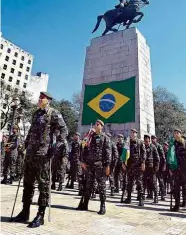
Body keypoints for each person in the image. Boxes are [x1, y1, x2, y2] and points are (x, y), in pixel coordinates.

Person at [12, 92, 68, 228]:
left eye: (42, 98)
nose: (39, 100)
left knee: (43, 186)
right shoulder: (36, 113)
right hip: (31, 153)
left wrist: (55, 147)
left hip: (43, 155)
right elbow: (31, 130)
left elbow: (64, 130)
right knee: (28, 184)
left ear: (48, 100)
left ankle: (40, 215)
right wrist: (25, 144)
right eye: (39, 98)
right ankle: (25, 212)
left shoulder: (54, 113)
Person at [77, 120, 111, 215]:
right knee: (88, 185)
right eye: (95, 124)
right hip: (90, 165)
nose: (96, 126)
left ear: (102, 127)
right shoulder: (90, 137)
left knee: (101, 187)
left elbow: (108, 153)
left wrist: (107, 165)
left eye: (98, 124)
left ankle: (102, 206)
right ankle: (85, 204)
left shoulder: (105, 138)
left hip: (100, 165)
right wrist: (83, 161)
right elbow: (84, 149)